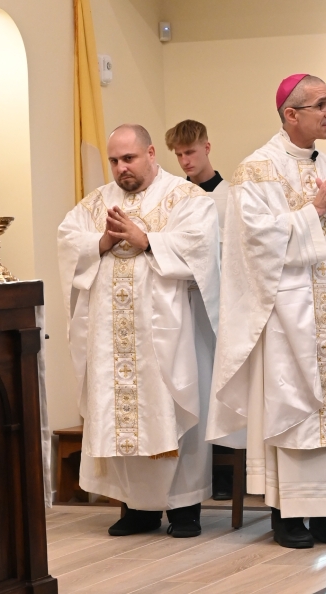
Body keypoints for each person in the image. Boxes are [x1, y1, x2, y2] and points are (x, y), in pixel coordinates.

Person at [207, 74, 326, 549]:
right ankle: (286, 515)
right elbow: (251, 244)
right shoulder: (255, 170)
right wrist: (313, 210)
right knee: (295, 410)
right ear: (290, 114)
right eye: (322, 104)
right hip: (287, 314)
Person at [58, 124, 220, 538]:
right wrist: (101, 243)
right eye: (114, 160)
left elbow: (202, 248)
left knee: (170, 408)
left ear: (150, 153)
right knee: (120, 413)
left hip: (167, 332)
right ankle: (137, 509)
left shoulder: (186, 198)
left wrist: (146, 239)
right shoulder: (97, 202)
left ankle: (185, 509)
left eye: (128, 158)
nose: (120, 168)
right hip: (111, 336)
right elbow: (67, 240)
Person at [166, 119, 234, 501]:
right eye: (178, 154)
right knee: (190, 386)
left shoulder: (231, 197)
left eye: (190, 152)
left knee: (217, 389)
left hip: (220, 306)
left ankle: (222, 473)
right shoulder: (174, 198)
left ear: (208, 147)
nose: (184, 161)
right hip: (181, 304)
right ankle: (190, 476)